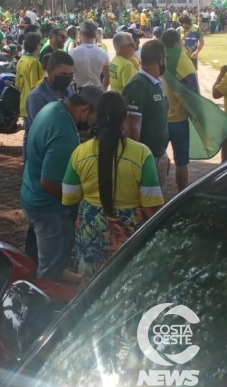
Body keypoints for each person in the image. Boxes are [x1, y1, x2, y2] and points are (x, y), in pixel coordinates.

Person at [62, 92, 164, 281]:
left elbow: (69, 197)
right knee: (123, 285)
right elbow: (152, 208)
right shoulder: (142, 154)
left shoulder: (79, 153)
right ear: (124, 119)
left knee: (90, 288)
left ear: (97, 118)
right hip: (128, 233)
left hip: (89, 231)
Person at [21, 86, 103, 281]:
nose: (92, 127)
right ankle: (48, 304)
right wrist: (80, 199)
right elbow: (49, 183)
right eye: (94, 120)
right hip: (48, 208)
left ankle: (59, 279)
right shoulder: (64, 133)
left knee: (48, 258)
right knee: (51, 265)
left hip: (30, 194)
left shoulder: (54, 108)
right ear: (85, 110)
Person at [123, 40, 170, 190]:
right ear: (161, 60)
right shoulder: (138, 85)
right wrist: (138, 159)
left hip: (158, 154)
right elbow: (131, 124)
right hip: (146, 159)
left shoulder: (156, 83)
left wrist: (163, 155)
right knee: (147, 206)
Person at [161, 29, 199, 192]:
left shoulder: (155, 57)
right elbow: (193, 91)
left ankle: (155, 195)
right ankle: (181, 195)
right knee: (181, 163)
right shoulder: (182, 59)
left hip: (158, 119)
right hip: (178, 120)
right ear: (177, 43)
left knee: (156, 159)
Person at [26, 51, 75, 130]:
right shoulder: (36, 97)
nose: (67, 78)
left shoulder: (69, 90)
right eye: (63, 74)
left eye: (71, 74)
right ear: (49, 71)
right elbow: (44, 130)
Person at [16, 32, 44, 159]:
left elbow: (17, 84)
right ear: (37, 45)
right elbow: (36, 86)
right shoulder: (34, 62)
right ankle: (31, 161)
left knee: (28, 134)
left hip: (23, 102)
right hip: (34, 104)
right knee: (34, 135)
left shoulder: (21, 60)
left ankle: (26, 160)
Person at [69, 20, 110, 88]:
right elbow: (108, 78)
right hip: (97, 90)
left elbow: (69, 75)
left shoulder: (72, 52)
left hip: (80, 91)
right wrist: (102, 90)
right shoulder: (104, 53)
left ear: (82, 34)